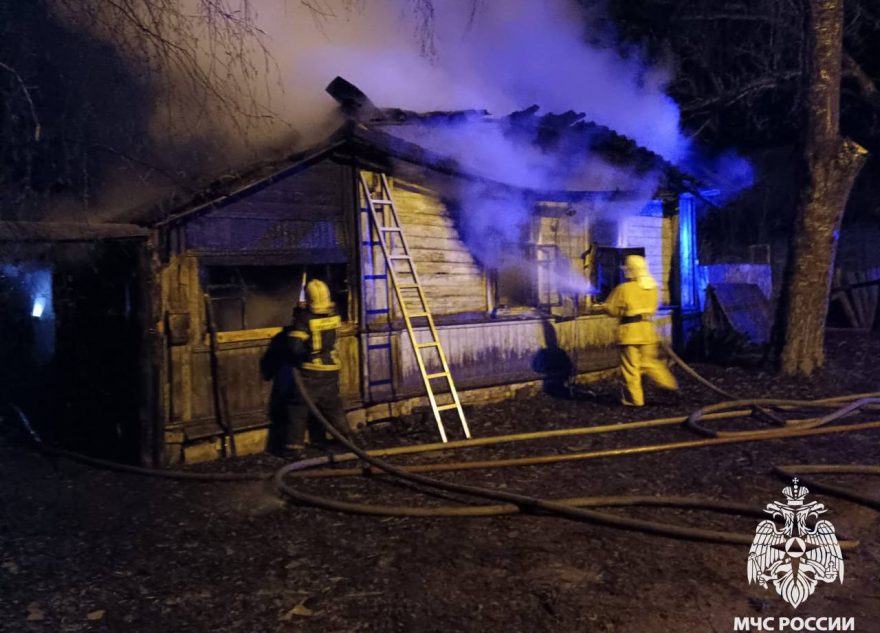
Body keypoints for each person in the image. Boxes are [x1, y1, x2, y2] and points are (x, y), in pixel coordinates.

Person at [601, 255, 678, 407]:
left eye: (626, 267)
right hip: (648, 331)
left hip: (630, 333)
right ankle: (669, 385)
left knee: (631, 368)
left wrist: (604, 305)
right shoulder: (653, 287)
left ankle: (634, 401)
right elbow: (653, 308)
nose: (624, 270)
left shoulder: (623, 289)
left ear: (631, 270)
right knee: (649, 362)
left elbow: (612, 310)